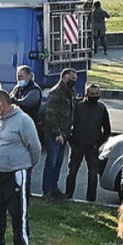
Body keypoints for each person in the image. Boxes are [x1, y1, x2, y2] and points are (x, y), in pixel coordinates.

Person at [0, 84, 43, 245]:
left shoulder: (23, 120)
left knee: (18, 214)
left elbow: (35, 147)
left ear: (2, 104)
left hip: (16, 174)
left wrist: (27, 166)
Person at [67, 81, 113, 202]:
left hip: (92, 147)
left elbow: (107, 129)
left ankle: (91, 200)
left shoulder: (102, 108)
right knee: (72, 172)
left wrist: (98, 143)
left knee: (93, 175)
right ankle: (68, 196)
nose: (94, 96)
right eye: (92, 93)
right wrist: (71, 139)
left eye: (96, 93)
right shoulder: (78, 106)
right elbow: (69, 123)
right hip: (77, 145)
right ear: (86, 94)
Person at [40, 71, 78, 199]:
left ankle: (53, 187)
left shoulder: (70, 92)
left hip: (65, 133)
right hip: (54, 133)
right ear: (64, 77)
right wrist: (57, 133)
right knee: (52, 162)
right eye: (72, 78)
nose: (74, 81)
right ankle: (47, 190)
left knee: (58, 162)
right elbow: (50, 114)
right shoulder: (56, 92)